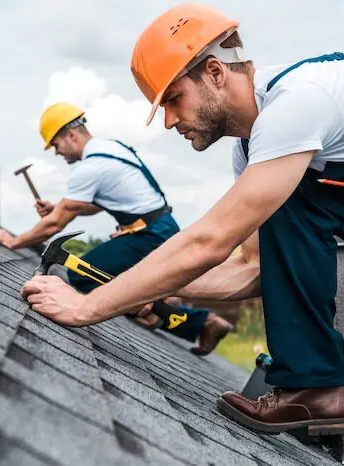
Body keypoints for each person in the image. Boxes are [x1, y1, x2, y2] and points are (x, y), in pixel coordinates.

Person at [21, 3, 344, 435]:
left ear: (214, 71)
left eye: (174, 99)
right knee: (286, 208)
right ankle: (317, 388)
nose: (170, 120)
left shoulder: (296, 103)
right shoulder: (253, 152)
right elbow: (252, 269)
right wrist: (142, 288)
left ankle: (318, 385)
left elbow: (208, 241)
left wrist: (87, 306)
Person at [0, 101, 232, 353]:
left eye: (56, 145)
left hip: (150, 234)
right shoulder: (111, 150)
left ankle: (170, 313)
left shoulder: (91, 166)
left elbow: (54, 225)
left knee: (81, 274)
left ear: (71, 135)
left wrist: (13, 241)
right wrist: (57, 208)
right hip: (157, 228)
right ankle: (174, 314)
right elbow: (94, 205)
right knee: (118, 280)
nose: (57, 153)